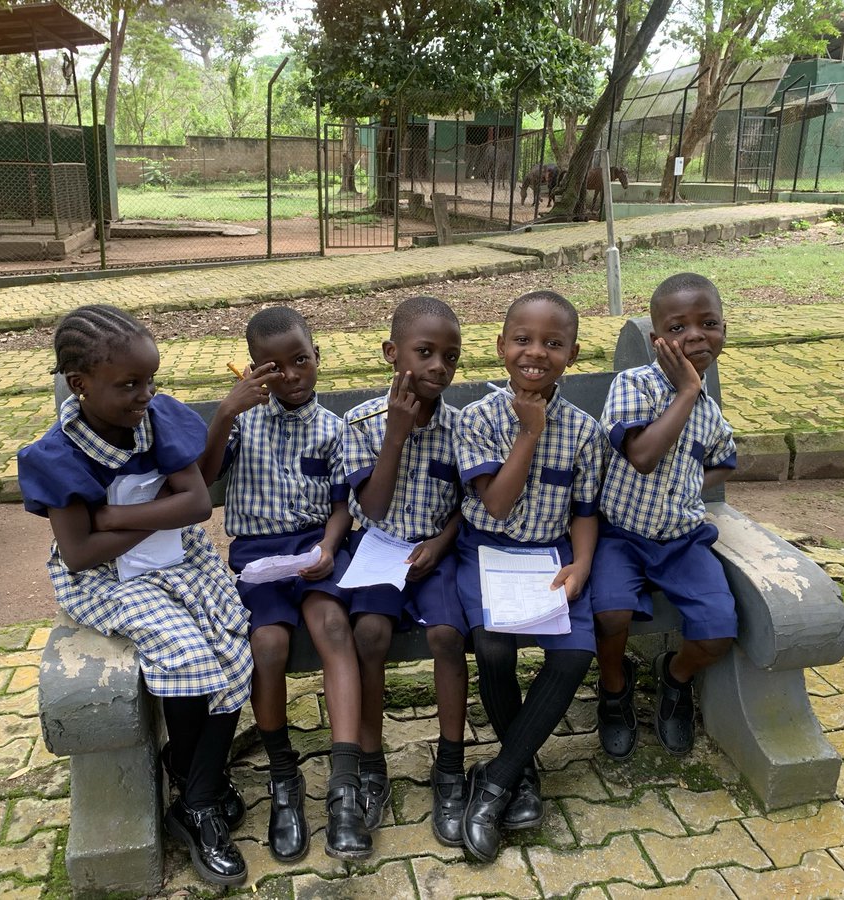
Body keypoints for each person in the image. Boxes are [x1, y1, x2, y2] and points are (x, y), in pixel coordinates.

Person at [17, 304, 252, 888]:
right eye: (128, 384)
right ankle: (198, 803)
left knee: (232, 649)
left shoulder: (160, 418)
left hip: (181, 557)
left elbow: (196, 504)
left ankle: (191, 780)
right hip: (107, 581)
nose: (145, 393)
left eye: (150, 379)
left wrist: (114, 514)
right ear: (80, 385)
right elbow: (80, 553)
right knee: (187, 656)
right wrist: (149, 518)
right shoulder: (58, 456)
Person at [198, 306, 371, 862]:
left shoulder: (334, 429)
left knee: (333, 627)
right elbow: (202, 482)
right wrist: (225, 413)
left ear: (318, 358)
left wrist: (329, 544)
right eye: (275, 368)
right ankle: (283, 778)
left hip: (317, 550)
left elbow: (343, 506)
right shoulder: (243, 422)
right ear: (254, 372)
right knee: (267, 645)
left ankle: (344, 786)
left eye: (301, 361)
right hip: (257, 555)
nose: (292, 375)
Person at [453, 290, 605, 863]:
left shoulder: (585, 431)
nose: (535, 353)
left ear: (571, 352)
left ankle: (498, 775)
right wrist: (529, 433)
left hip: (550, 554)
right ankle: (519, 773)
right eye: (522, 340)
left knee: (571, 655)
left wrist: (582, 564)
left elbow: (584, 511)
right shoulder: (476, 420)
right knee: (492, 647)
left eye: (552, 343)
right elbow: (494, 505)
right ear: (500, 346)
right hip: (487, 551)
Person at [590, 272, 738, 761]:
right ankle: (614, 688)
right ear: (657, 340)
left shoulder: (711, 414)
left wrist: (692, 485)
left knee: (718, 629)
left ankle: (674, 678)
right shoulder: (633, 385)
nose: (694, 336)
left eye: (708, 323)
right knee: (610, 613)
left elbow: (723, 460)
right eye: (677, 328)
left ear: (724, 330)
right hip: (621, 535)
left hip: (682, 540)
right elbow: (643, 455)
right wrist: (688, 392)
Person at [341, 296, 469, 846]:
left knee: (446, 634)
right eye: (425, 352)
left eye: (450, 356)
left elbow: (472, 501)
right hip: (377, 546)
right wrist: (396, 434)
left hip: (436, 552)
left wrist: (442, 542)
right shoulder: (362, 423)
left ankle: (449, 765)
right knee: (369, 634)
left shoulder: (463, 427)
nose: (439, 366)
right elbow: (370, 508)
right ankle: (371, 763)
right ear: (394, 354)